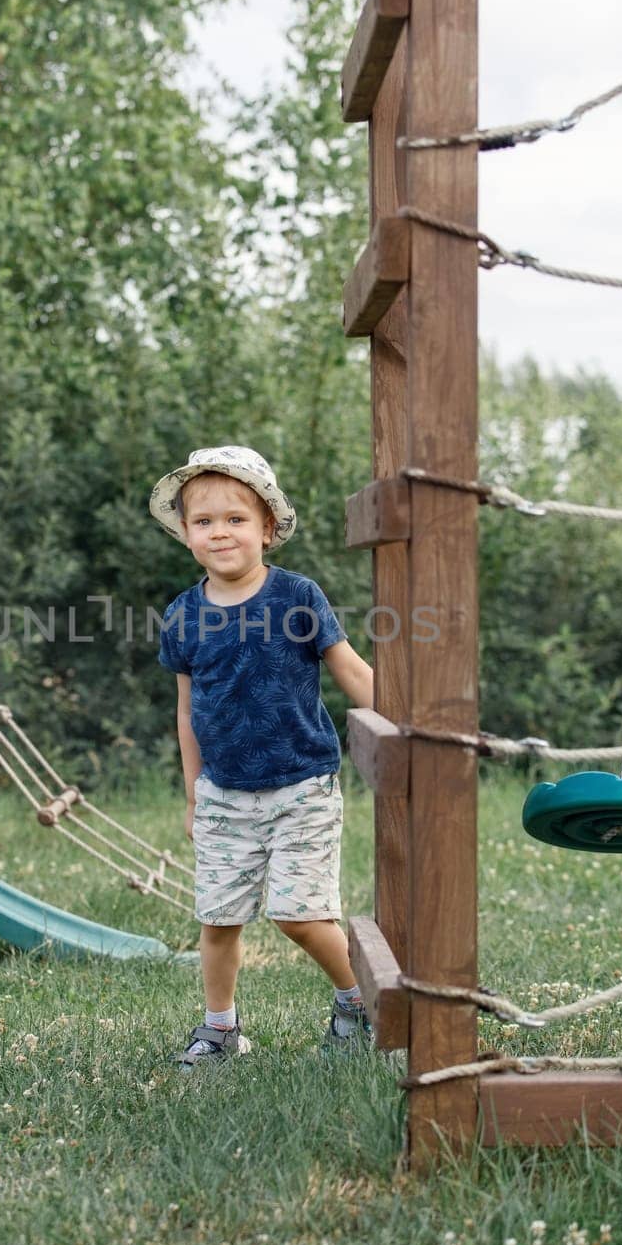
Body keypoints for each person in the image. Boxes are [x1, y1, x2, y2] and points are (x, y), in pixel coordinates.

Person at [150, 445, 375, 1068]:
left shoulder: (297, 596)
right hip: (223, 791)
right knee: (218, 920)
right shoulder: (183, 616)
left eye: (236, 519)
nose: (219, 532)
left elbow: (351, 670)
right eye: (204, 522)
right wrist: (194, 791)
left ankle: (357, 1000)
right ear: (186, 535)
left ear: (268, 529)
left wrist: (408, 714)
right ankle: (220, 1028)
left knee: (299, 915)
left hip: (302, 782)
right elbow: (186, 712)